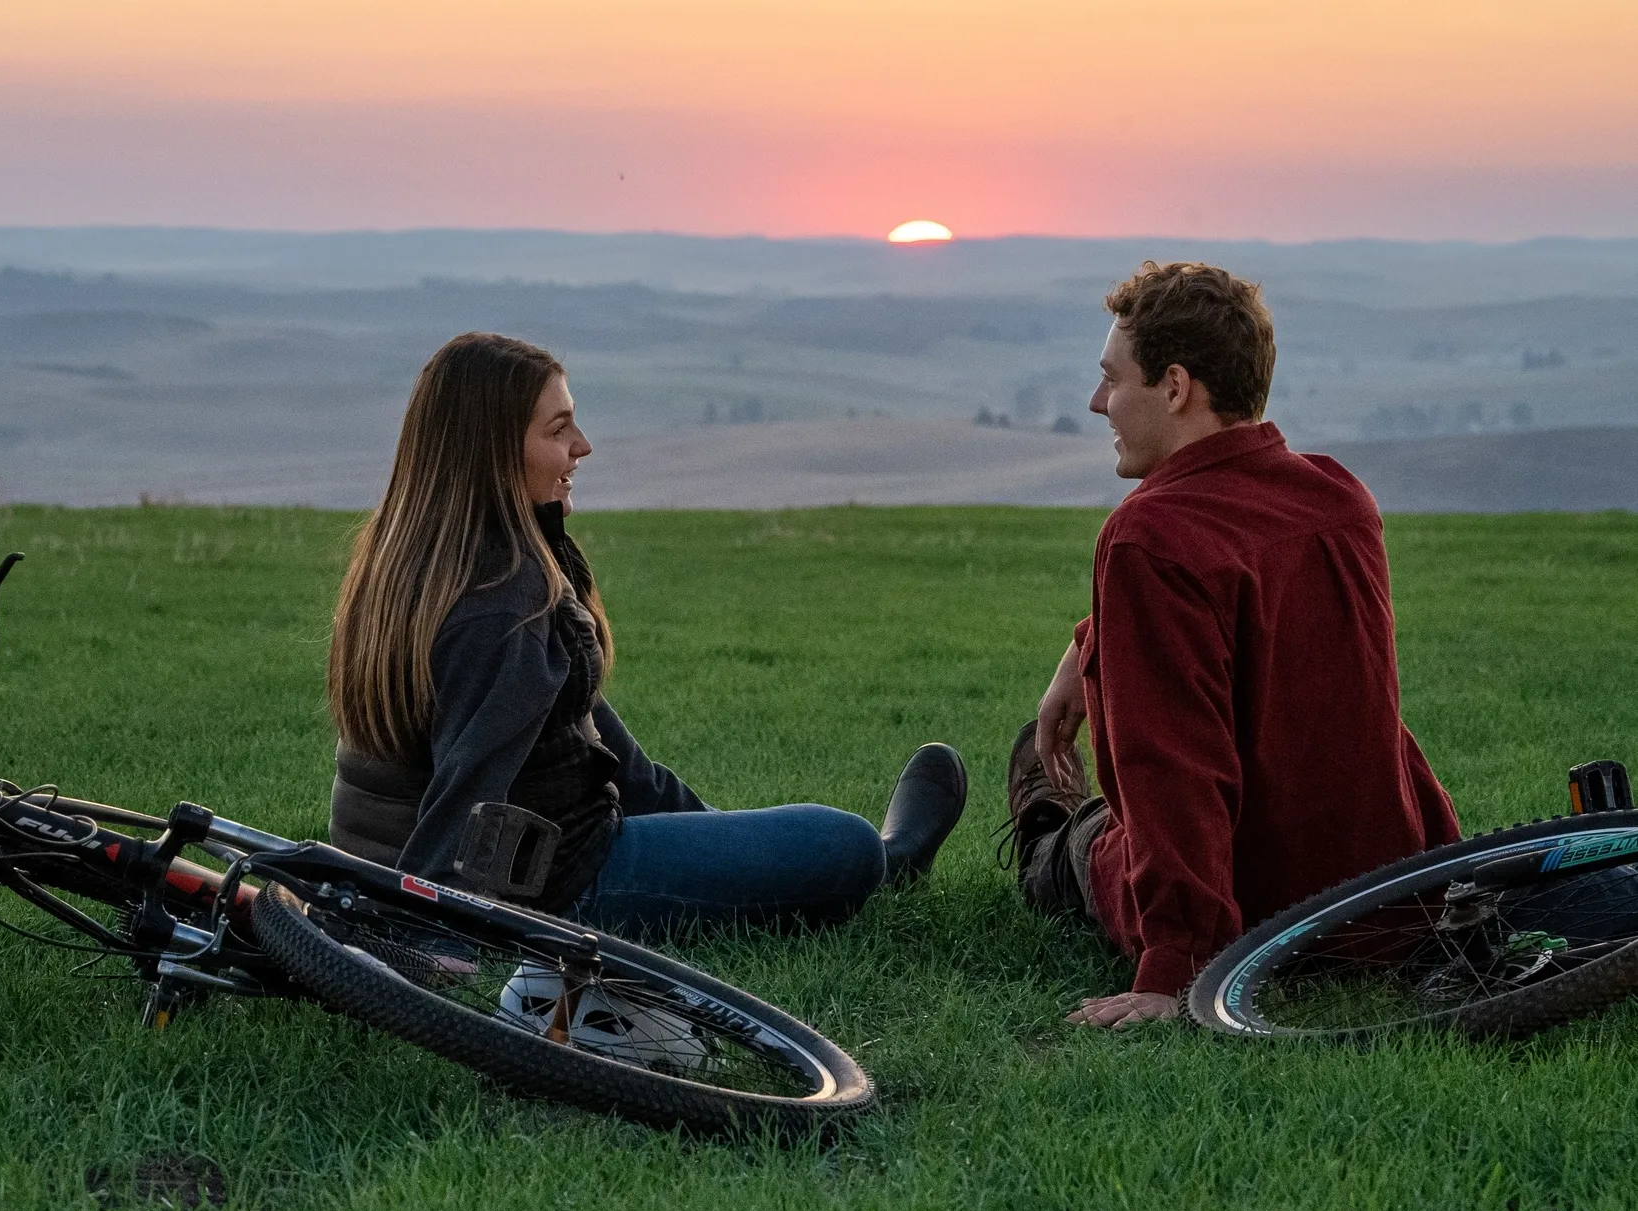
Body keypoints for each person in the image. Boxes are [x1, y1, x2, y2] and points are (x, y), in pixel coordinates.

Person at [327, 331, 966, 938]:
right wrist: (425, 921)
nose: (583, 445)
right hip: (558, 883)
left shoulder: (414, 567)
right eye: (558, 429)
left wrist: (724, 841)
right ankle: (888, 863)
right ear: (492, 450)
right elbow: (469, 785)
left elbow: (601, 747)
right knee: (843, 844)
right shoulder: (501, 605)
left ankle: (793, 863)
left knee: (760, 841)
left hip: (409, 857)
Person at [1002, 261, 1462, 1027]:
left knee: (1092, 844)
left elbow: (1173, 772)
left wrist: (1174, 973)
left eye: (1113, 380)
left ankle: (1049, 834)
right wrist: (1086, 653)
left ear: (1176, 386)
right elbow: (1250, 615)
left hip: (1250, 922)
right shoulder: (1338, 497)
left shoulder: (1148, 535)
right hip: (1386, 901)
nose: (1096, 402)